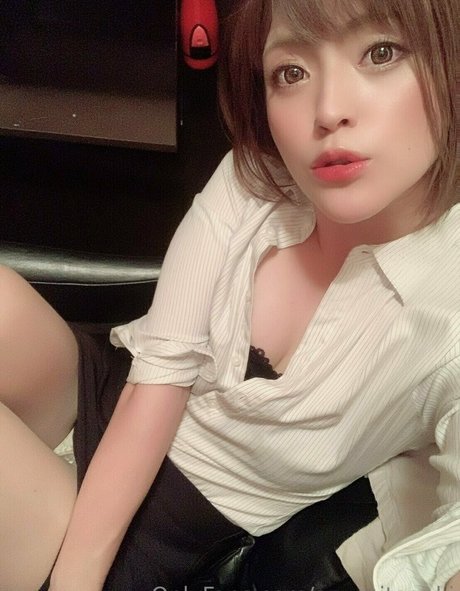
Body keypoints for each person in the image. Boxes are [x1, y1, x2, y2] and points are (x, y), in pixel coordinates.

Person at [0, 0, 458, 589]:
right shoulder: (256, 177)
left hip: (155, 537)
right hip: (106, 396)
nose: (328, 110)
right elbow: (157, 380)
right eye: (291, 72)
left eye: (381, 52)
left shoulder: (448, 309)